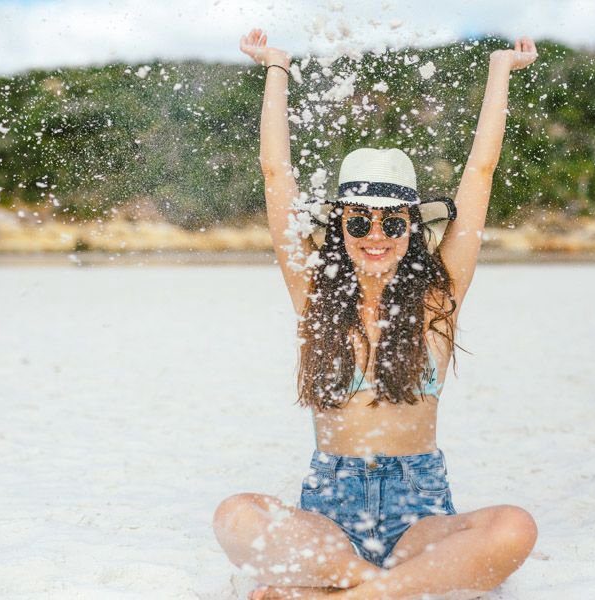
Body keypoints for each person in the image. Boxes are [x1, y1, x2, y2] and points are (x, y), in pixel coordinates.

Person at [213, 28, 539, 600]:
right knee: (235, 514)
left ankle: (347, 592)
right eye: (359, 220)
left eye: (392, 222)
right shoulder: (314, 292)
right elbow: (275, 176)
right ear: (339, 225)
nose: (376, 235)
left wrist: (499, 71)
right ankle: (387, 588)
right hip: (329, 508)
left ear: (413, 228)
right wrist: (276, 68)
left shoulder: (437, 301)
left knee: (514, 526)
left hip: (419, 511)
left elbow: (480, 174)